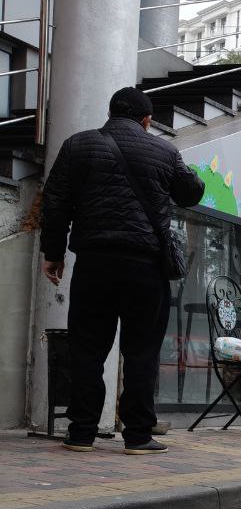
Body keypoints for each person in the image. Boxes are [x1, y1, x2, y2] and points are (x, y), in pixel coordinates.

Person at [41, 86, 205, 454]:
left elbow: (55, 203)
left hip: (94, 263)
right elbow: (191, 193)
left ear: (111, 112)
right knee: (142, 351)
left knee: (87, 348)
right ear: (147, 120)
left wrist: (53, 253)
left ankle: (81, 432)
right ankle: (137, 436)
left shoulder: (78, 145)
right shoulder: (165, 151)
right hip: (145, 267)